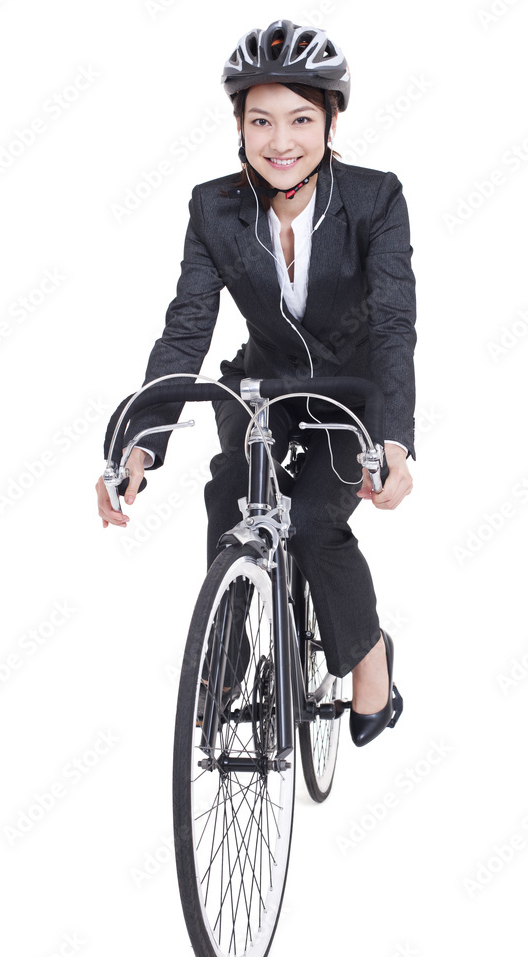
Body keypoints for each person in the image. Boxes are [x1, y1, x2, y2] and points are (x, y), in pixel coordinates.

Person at [95, 20, 416, 747]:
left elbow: (395, 324)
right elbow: (186, 329)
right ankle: (227, 651)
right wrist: (138, 448)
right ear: (237, 124)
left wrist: (394, 437)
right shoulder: (213, 207)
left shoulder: (374, 200)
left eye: (301, 119)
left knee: (309, 524)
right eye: (260, 120)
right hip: (263, 382)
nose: (280, 141)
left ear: (332, 120)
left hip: (354, 391)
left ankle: (368, 658)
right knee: (230, 495)